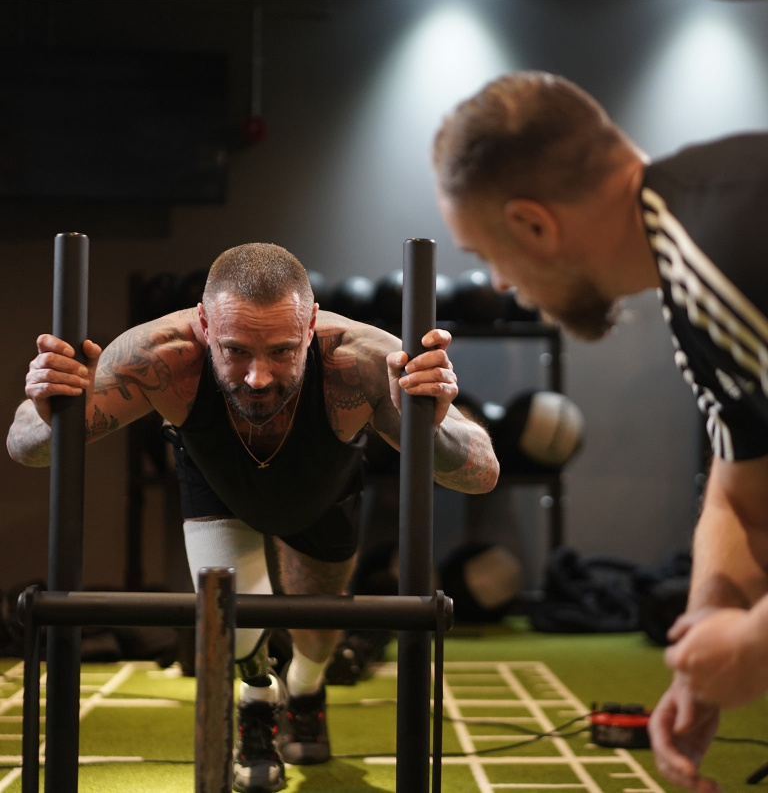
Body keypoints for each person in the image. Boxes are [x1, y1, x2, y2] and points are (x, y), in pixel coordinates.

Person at [6, 242, 499, 793]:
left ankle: (305, 692)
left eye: (282, 351)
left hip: (323, 483)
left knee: (317, 638)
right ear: (204, 326)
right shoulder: (162, 356)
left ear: (311, 327)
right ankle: (258, 700)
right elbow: (28, 447)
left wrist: (430, 428)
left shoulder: (359, 361)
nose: (258, 377)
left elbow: (481, 472)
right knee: (231, 624)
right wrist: (51, 411)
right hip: (218, 482)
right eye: (236, 350)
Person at [432, 71, 768, 793]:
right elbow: (745, 493)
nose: (495, 284)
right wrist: (710, 633)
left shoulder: (728, 248)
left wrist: (756, 642)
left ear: (533, 225)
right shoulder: (691, 264)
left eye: (485, 255)